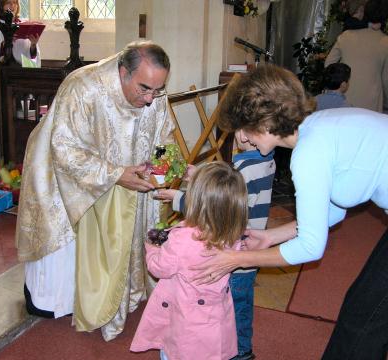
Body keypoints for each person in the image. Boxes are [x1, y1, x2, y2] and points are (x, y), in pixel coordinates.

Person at [190, 64, 388, 360]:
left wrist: (235, 258)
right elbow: (331, 213)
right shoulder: (318, 128)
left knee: (363, 323)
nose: (243, 139)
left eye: (245, 129)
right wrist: (270, 236)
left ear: (266, 123)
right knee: (364, 314)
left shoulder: (308, 153)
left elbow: (311, 246)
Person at [15, 41, 175, 341]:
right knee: (64, 247)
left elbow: (164, 136)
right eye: (144, 89)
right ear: (123, 72)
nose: (152, 98)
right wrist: (115, 174)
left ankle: (113, 293)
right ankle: (60, 302)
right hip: (60, 176)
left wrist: (161, 167)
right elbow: (64, 149)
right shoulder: (83, 86)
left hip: (118, 181)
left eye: (158, 89)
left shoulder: (154, 93)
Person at [156, 131, 275, 360]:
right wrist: (201, 177)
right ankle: (235, 348)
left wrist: (177, 198)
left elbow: (213, 206)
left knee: (230, 308)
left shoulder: (244, 171)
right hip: (248, 248)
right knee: (238, 306)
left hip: (234, 258)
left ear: (242, 133)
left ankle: (239, 352)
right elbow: (222, 195)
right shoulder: (266, 161)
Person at [130, 161, 248, 360]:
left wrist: (151, 248)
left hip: (187, 320)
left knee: (177, 352)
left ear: (194, 202)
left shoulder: (184, 239)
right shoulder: (234, 235)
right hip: (215, 317)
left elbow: (159, 268)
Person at [325, 0, 388, 112]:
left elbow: (329, 64)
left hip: (345, 99)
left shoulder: (345, 36)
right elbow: (386, 78)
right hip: (372, 102)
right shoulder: (385, 42)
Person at [0, 0, 40, 99]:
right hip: (3, 73)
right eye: (8, 2)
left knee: (21, 108)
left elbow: (31, 57)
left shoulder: (24, 25)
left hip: (21, 75)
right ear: (1, 5)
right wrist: (5, 43)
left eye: (15, 2)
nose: (12, 6)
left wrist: (33, 45)